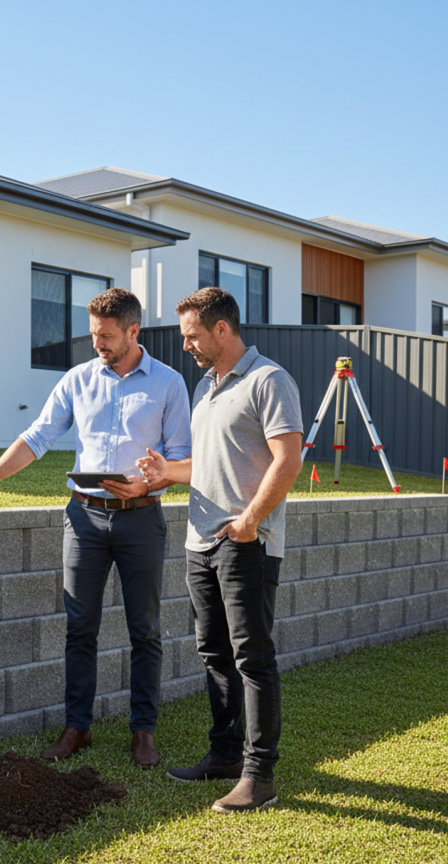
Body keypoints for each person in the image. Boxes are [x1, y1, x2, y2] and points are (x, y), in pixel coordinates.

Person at [0, 288, 191, 767]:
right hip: (84, 519)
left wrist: (145, 484)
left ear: (133, 331)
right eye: (93, 334)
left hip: (142, 520)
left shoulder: (169, 384)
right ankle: (77, 728)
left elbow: (181, 458)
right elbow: (36, 437)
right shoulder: (77, 380)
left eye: (106, 336)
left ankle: (144, 733)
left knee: (145, 629)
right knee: (80, 628)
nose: (97, 342)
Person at [138, 287, 303, 811]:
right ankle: (225, 756)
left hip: (245, 542)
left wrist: (250, 521)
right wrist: (166, 472)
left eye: (192, 335)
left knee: (253, 657)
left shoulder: (268, 380)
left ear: (222, 330)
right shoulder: (206, 388)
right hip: (199, 543)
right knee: (214, 654)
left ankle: (260, 775)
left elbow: (288, 459)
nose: (186, 344)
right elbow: (207, 466)